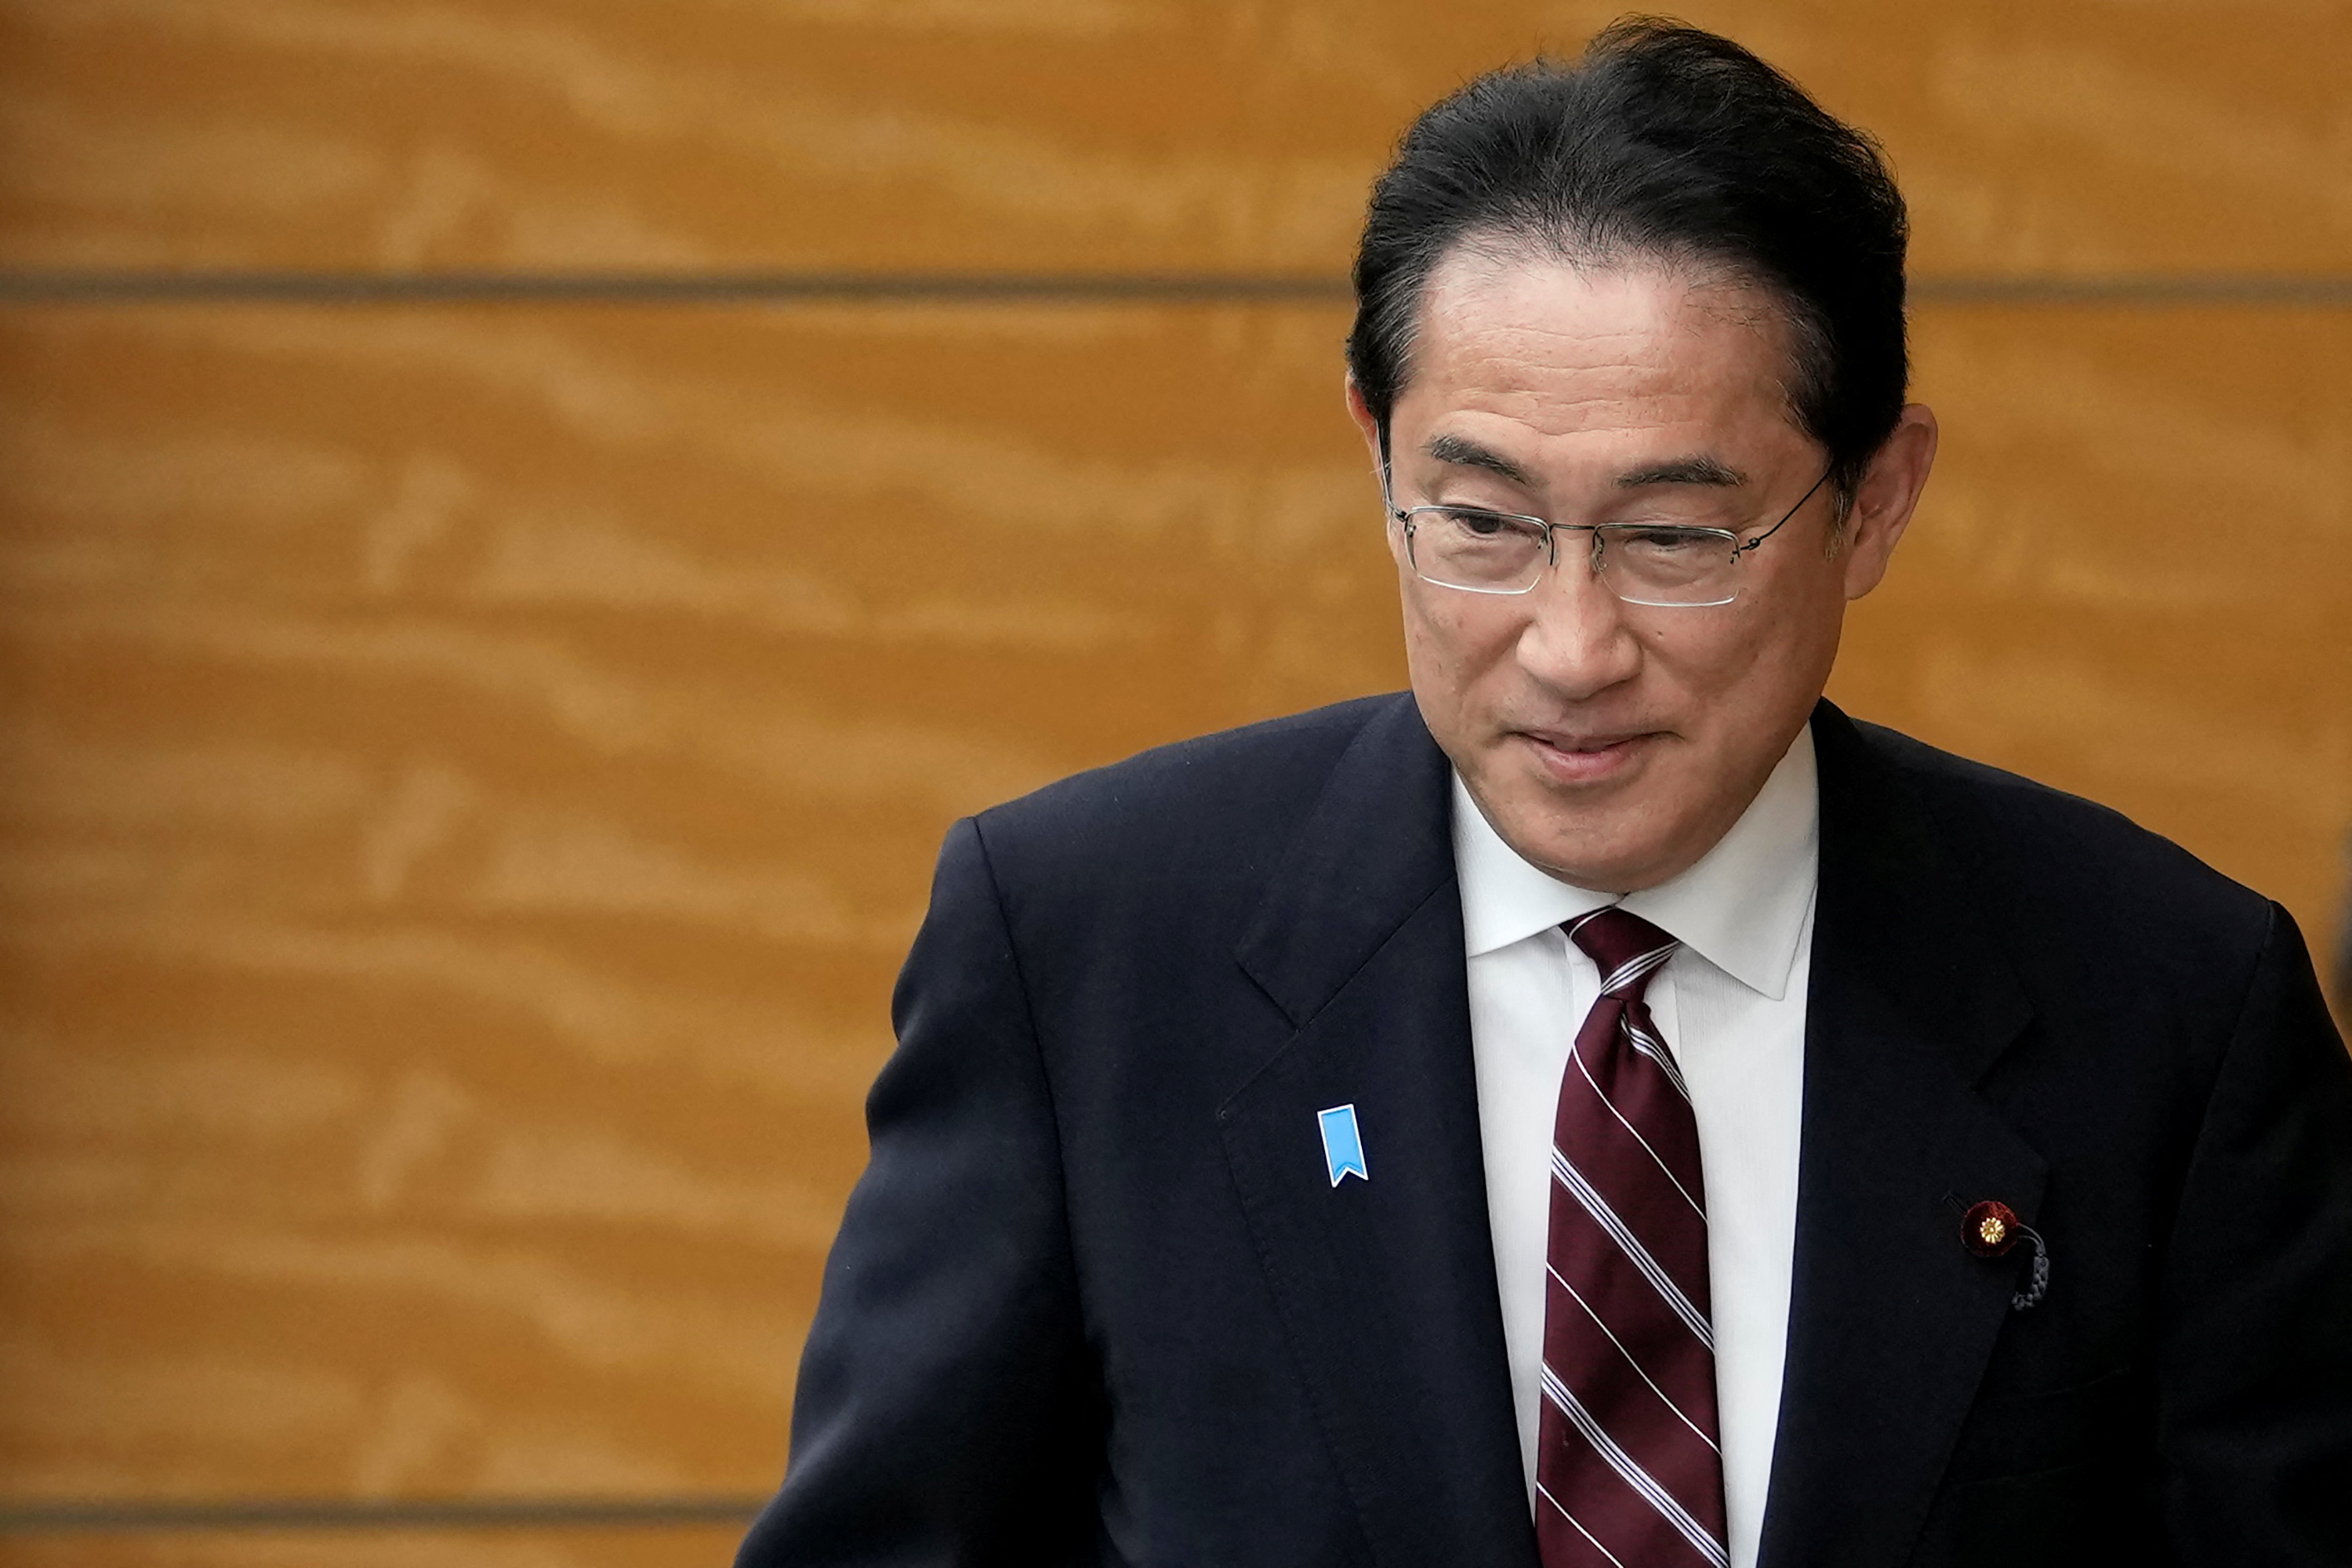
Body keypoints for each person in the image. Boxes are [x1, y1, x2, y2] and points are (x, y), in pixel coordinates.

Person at [738, 21, 2352, 1568]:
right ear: (1378, 457)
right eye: (1486, 524)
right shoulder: (1085, 953)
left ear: (1874, 502)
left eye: (1674, 539)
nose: (1573, 651)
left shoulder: (2169, 1013)